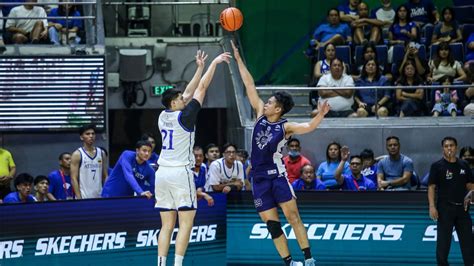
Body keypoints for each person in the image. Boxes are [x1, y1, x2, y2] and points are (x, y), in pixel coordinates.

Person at [232, 40, 330, 266]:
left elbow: (309, 128)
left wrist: (320, 115)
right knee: (272, 225)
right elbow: (249, 86)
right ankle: (289, 263)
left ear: (278, 109)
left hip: (277, 176)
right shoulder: (259, 115)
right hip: (257, 178)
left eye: (269, 103)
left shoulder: (285, 126)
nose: (265, 104)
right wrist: (238, 60)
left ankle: (308, 259)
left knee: (293, 217)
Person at [154, 51, 231, 266]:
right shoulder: (185, 117)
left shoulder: (162, 115)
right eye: (179, 99)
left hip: (162, 174)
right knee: (186, 222)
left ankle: (161, 263)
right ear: (174, 104)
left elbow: (188, 92)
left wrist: (198, 67)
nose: (183, 99)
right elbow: (201, 89)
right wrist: (214, 64)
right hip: (180, 172)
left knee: (166, 225)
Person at [428, 136, 473, 266]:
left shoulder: (464, 164)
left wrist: (472, 194)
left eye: (451, 145)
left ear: (456, 147)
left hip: (463, 210)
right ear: (443, 148)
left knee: (468, 244)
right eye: (446, 146)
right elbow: (431, 187)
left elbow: (470, 185)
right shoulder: (437, 166)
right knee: (443, 245)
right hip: (445, 209)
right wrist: (432, 206)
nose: (449, 148)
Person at [70, 124, 108, 199]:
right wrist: (79, 198)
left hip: (99, 196)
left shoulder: (101, 153)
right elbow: (73, 178)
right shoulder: (77, 154)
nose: (91, 136)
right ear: (81, 137)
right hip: (84, 197)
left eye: (93, 134)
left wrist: (106, 193)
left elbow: (105, 176)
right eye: (87, 134)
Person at [0, 135, 16, 199]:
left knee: (7, 204)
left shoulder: (6, 153)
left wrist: (9, 177)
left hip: (5, 186)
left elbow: (13, 168)